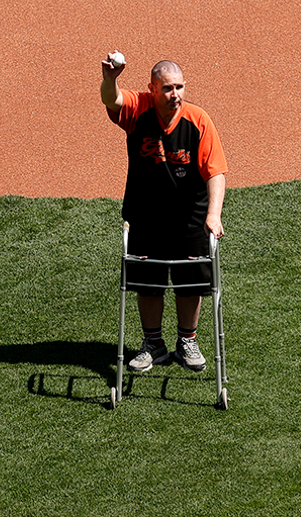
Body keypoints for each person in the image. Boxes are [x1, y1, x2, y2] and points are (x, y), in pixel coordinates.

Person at [101, 54, 227, 373]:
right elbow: (112, 99)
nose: (176, 94)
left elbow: (216, 173)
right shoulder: (138, 109)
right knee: (148, 285)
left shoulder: (198, 121)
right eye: (168, 88)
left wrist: (213, 215)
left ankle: (187, 342)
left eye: (180, 87)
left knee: (190, 285)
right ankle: (153, 344)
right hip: (146, 217)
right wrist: (111, 78)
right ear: (152, 89)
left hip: (190, 220)